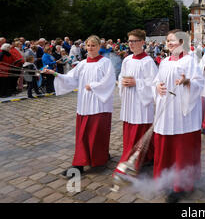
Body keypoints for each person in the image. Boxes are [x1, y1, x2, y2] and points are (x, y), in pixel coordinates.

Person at [43, 35, 116, 177]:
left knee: (98, 133)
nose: (90, 48)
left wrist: (94, 86)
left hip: (100, 104)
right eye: (88, 45)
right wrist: (55, 73)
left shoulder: (105, 63)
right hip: (85, 104)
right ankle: (79, 164)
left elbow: (109, 81)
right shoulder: (82, 64)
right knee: (83, 134)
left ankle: (101, 155)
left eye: (93, 45)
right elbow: (70, 78)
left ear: (99, 47)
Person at [153, 29, 204, 203]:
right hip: (166, 111)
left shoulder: (190, 60)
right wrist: (157, 87)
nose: (169, 43)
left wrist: (187, 81)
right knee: (166, 145)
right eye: (168, 40)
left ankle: (181, 184)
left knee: (182, 147)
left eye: (173, 40)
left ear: (182, 42)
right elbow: (157, 80)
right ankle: (166, 179)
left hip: (183, 113)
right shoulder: (164, 61)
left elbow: (199, 82)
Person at [114, 29, 158, 176]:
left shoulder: (148, 62)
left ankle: (132, 163)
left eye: (134, 41)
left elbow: (153, 85)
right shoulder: (127, 60)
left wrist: (136, 82)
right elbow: (121, 77)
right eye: (129, 41)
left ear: (142, 43)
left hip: (141, 105)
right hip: (130, 103)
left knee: (138, 135)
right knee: (129, 134)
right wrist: (122, 81)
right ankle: (147, 157)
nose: (131, 44)